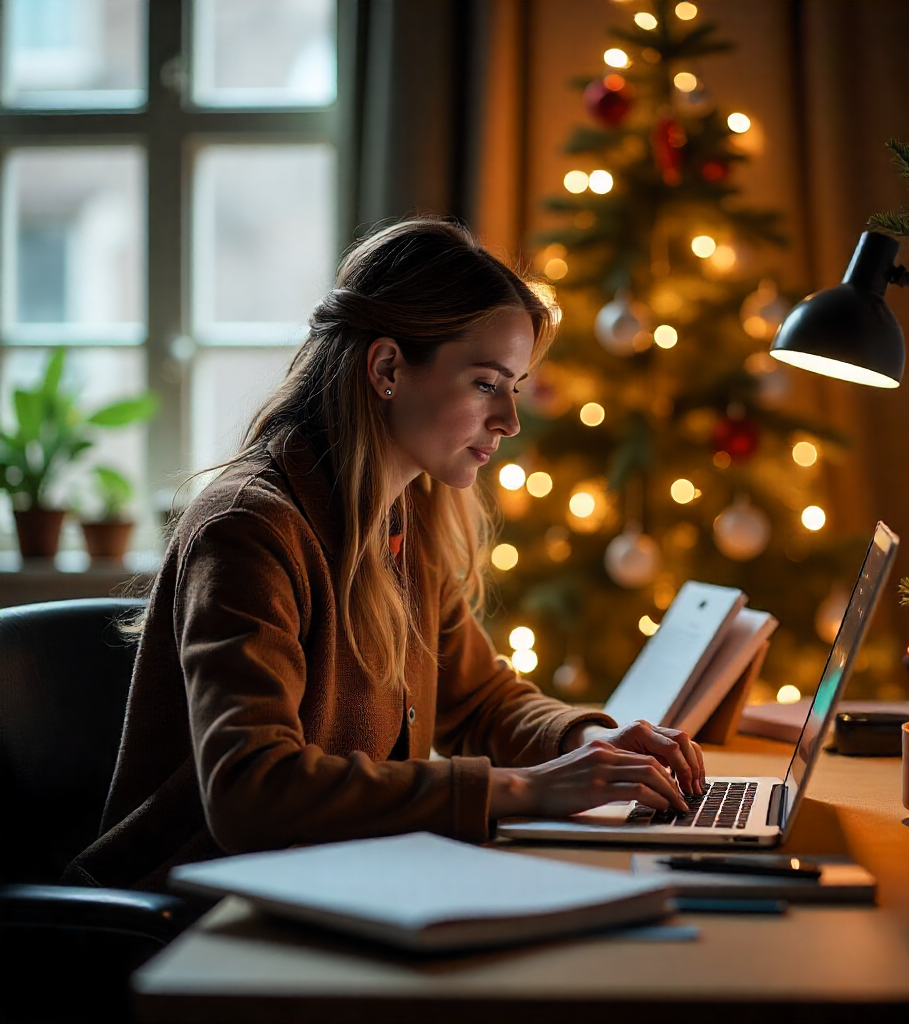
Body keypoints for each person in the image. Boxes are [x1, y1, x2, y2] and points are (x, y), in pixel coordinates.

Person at [65, 218, 704, 892]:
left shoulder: (407, 515)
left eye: (513, 387)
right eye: (486, 383)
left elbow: (481, 702)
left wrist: (590, 744)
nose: (509, 422)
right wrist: (523, 788)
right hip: (198, 921)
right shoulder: (250, 528)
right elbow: (251, 791)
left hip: (330, 884)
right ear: (388, 367)